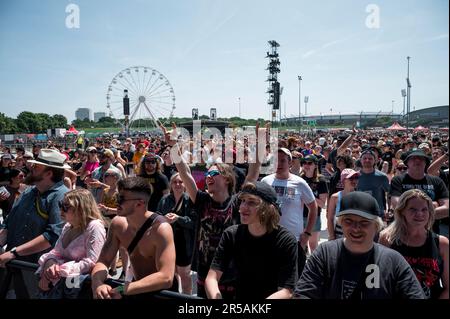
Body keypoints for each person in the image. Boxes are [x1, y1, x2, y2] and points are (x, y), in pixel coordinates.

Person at [160, 122, 260, 299]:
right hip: (204, 275)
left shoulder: (237, 202)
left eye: (213, 174)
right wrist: (173, 146)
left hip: (233, 275)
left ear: (227, 179)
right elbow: (184, 173)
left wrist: (258, 143)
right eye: (207, 175)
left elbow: (252, 175)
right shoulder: (202, 201)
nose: (208, 177)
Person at [294, 191, 425, 299]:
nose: (356, 228)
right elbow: (304, 294)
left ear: (377, 226)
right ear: (340, 223)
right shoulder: (325, 253)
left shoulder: (393, 261)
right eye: (348, 221)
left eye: (364, 222)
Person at [205, 182, 297, 299]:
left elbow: (287, 290)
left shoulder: (286, 240)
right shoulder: (232, 234)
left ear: (268, 209)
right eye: (242, 201)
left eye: (251, 202)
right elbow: (211, 278)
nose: (243, 207)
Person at [0, 149, 70, 298]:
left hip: (38, 269)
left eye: (36, 166)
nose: (31, 167)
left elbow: (53, 235)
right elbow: (8, 223)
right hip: (15, 265)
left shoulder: (61, 196)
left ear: (49, 173)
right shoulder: (28, 192)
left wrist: (14, 252)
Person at [91, 177, 176, 299]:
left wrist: (121, 289)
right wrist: (98, 284)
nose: (117, 202)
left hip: (161, 294)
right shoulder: (118, 224)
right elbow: (103, 261)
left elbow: (166, 277)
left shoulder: (161, 229)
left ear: (139, 203)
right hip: (134, 290)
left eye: (121, 199)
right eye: (117, 197)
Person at [379, 189, 448, 299]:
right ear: (402, 211)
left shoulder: (442, 243)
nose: (419, 214)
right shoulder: (387, 239)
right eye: (413, 209)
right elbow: (381, 282)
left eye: (424, 209)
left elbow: (448, 288)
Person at [37, 189, 106, 298]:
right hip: (63, 284)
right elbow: (56, 252)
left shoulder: (94, 226)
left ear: (81, 209)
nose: (61, 210)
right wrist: (50, 264)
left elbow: (93, 262)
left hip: (81, 288)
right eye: (61, 205)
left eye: (66, 206)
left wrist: (59, 271)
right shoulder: (68, 226)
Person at [261, 148, 317, 276]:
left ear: (290, 163)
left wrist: (307, 233)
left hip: (293, 240)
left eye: (283, 161)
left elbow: (313, 208)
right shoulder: (265, 182)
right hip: (268, 238)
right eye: (276, 161)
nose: (279, 164)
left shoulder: (300, 183)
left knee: (293, 280)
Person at [390, 149, 449, 234]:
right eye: (413, 158)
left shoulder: (437, 181)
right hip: (403, 232)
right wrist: (432, 205)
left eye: (421, 158)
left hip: (431, 233)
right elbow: (397, 205)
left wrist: (412, 210)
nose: (417, 160)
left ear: (426, 163)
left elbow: (447, 209)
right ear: (407, 163)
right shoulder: (398, 180)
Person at [157, 173, 197, 295]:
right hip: (167, 241)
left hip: (184, 242)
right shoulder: (165, 199)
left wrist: (178, 218)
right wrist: (163, 218)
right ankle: (174, 296)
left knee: (184, 274)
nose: (178, 184)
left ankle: (186, 300)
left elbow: (194, 222)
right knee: (171, 273)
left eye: (180, 182)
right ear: (171, 184)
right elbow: (156, 216)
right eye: (175, 182)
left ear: (185, 184)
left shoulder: (190, 200)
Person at [300, 155, 328, 252]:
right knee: (300, 244)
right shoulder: (299, 179)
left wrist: (308, 195)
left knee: (313, 245)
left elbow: (322, 204)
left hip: (314, 216)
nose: (306, 165)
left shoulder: (321, 180)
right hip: (299, 215)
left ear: (315, 165)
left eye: (309, 163)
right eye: (304, 163)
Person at [356, 150, 390, 220]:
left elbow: (389, 193)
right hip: (359, 213)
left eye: (370, 158)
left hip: (377, 215)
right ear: (360, 160)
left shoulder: (382, 176)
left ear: (375, 161)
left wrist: (389, 209)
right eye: (364, 158)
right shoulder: (354, 176)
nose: (367, 160)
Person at [327, 168, 360, 240]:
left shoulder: (360, 197)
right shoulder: (335, 197)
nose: (354, 180)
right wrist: (332, 236)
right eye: (351, 178)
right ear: (344, 180)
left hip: (356, 233)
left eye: (356, 178)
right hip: (339, 234)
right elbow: (330, 219)